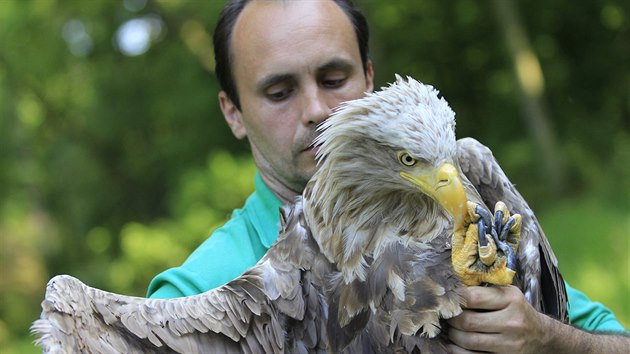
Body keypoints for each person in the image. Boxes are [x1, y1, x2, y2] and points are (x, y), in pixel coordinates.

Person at [148, 0, 628, 352]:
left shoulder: (460, 193)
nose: (317, 110)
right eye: (279, 91)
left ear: (369, 79)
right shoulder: (195, 297)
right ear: (232, 113)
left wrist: (546, 338)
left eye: (334, 80)